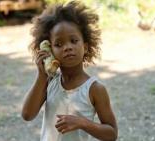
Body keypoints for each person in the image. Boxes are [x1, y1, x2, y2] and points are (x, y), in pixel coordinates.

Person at [21, 1, 118, 141]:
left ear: (85, 46)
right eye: (59, 44)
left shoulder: (95, 89)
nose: (67, 47)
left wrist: (82, 123)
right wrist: (41, 75)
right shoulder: (49, 82)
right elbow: (27, 115)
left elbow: (112, 134)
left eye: (73, 41)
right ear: (49, 49)